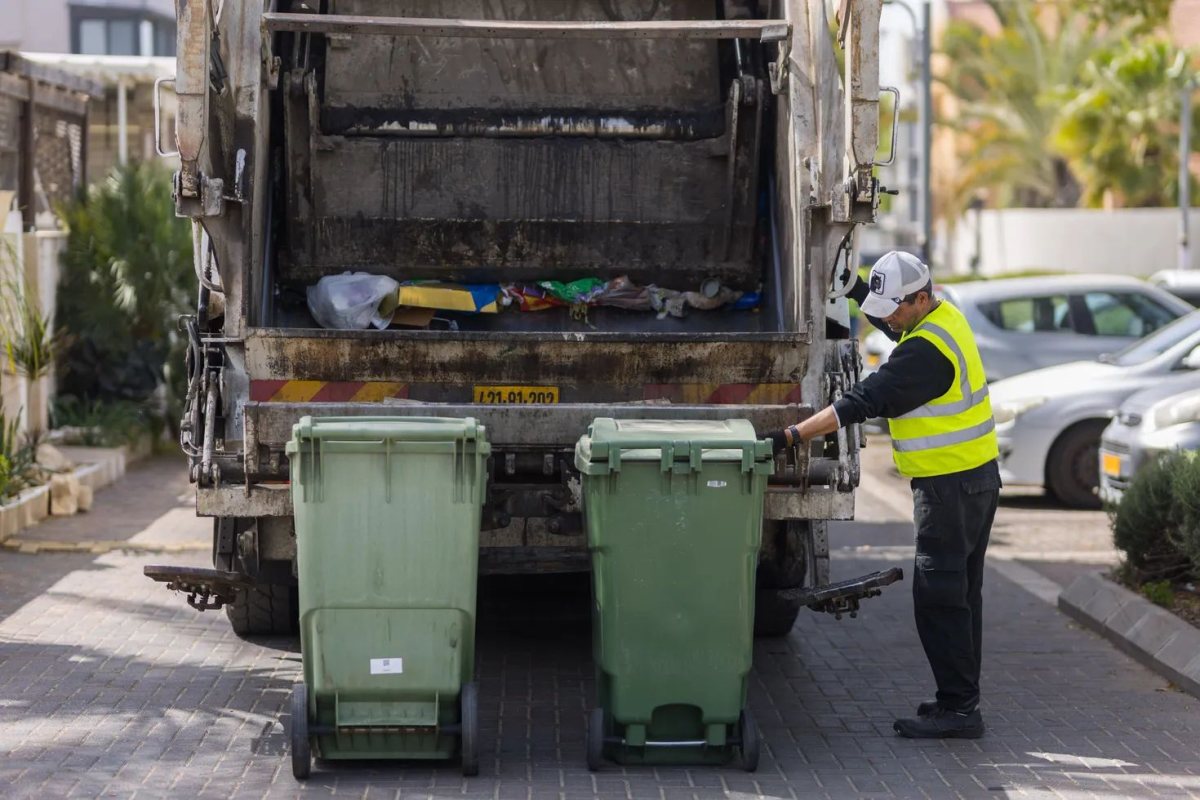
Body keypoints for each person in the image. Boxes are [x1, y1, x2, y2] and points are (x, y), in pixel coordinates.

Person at [770, 250, 1000, 739]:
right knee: (960, 596)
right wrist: (854, 287)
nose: (886, 318)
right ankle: (960, 700)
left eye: (892, 307)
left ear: (920, 298)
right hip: (973, 481)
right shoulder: (942, 317)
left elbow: (862, 400)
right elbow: (896, 328)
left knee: (939, 599)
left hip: (949, 489)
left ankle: (958, 710)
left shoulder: (925, 354)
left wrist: (791, 436)